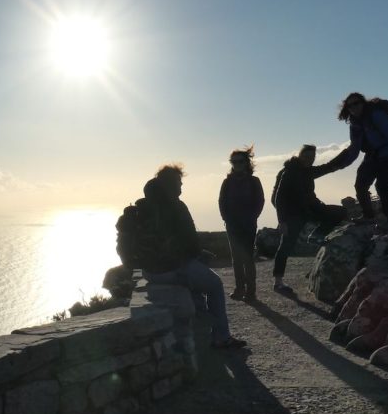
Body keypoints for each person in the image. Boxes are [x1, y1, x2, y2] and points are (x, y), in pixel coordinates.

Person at [137, 164, 247, 349]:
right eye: (179, 182)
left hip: (150, 271)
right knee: (215, 284)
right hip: (171, 268)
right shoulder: (175, 206)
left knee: (197, 277)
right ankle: (221, 336)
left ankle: (200, 331)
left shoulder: (144, 205)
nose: (181, 187)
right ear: (171, 183)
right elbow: (187, 241)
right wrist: (198, 254)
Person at [271, 145, 346, 294]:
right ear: (299, 156)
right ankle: (278, 282)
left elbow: (329, 167)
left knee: (340, 212)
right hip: (293, 214)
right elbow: (278, 198)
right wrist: (282, 220)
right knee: (286, 245)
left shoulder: (308, 171)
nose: (309, 160)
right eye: (306, 157)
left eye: (312, 158)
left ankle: (316, 235)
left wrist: (348, 153)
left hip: (311, 208)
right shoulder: (289, 172)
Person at [327, 92, 388, 224]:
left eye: (356, 103)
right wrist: (337, 164)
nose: (353, 107)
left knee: (382, 185)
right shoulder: (355, 123)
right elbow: (354, 148)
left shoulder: (376, 115)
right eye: (350, 106)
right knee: (360, 184)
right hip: (372, 156)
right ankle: (369, 216)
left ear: (363, 103)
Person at [218, 147, 265, 302]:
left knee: (247, 258)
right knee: (236, 258)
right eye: (234, 161)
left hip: (248, 224)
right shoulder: (227, 182)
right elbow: (221, 201)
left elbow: (260, 201)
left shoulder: (254, 181)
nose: (237, 164)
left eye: (240, 161)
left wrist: (252, 217)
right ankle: (240, 289)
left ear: (246, 163)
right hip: (232, 224)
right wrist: (226, 218)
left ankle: (250, 291)